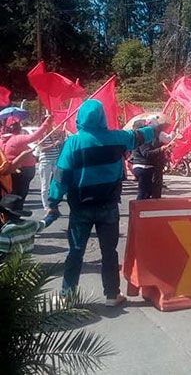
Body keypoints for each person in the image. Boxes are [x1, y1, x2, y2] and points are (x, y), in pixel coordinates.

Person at [46, 99, 160, 307]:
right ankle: (111, 295)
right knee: (109, 251)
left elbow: (61, 177)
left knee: (76, 251)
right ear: (102, 116)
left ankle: (67, 295)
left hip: (80, 207)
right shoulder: (117, 138)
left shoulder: (73, 143)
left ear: (80, 118)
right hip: (108, 205)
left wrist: (53, 202)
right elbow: (141, 136)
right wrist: (156, 125)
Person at [1, 115, 53, 209]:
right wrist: (46, 123)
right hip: (22, 170)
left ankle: (11, 213)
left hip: (9, 173)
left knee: (11, 194)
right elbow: (34, 136)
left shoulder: (2, 140)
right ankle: (15, 215)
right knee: (20, 194)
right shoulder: (17, 139)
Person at [0, 194, 57, 260]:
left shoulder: (6, 233)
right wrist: (51, 216)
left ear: (2, 216)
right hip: (26, 265)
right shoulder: (31, 225)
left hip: (11, 268)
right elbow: (44, 223)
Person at [130, 123, 169, 200]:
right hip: (144, 167)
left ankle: (143, 208)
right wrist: (160, 149)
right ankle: (139, 208)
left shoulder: (136, 140)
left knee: (146, 191)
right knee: (143, 192)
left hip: (142, 166)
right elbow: (146, 153)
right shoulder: (143, 141)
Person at [35, 126, 65, 211]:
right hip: (45, 161)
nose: (51, 125)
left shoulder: (55, 134)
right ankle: (46, 206)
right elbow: (42, 149)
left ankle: (53, 204)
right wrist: (54, 144)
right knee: (45, 184)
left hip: (55, 160)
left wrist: (61, 140)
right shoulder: (41, 135)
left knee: (56, 183)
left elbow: (60, 147)